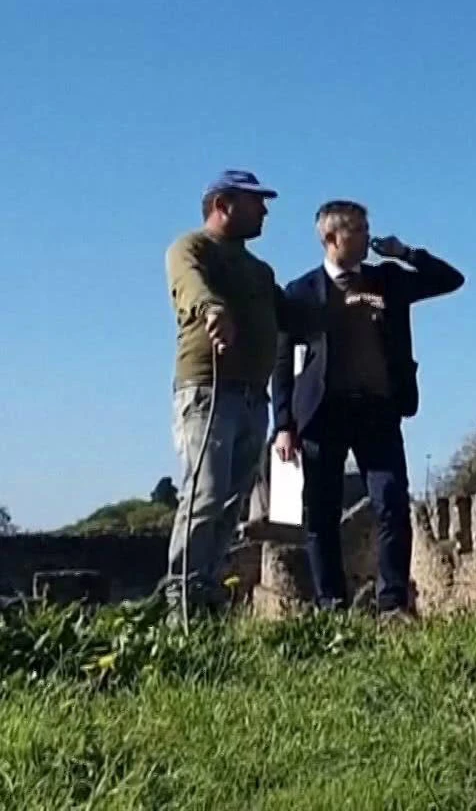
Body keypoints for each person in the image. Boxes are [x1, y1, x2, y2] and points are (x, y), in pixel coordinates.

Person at [272, 199, 464, 619]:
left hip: (379, 410)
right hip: (323, 414)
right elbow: (282, 361)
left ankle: (393, 602)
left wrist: (406, 253)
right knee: (320, 512)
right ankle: (332, 606)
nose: (365, 237)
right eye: (356, 230)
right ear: (330, 238)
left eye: (365, 227)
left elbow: (451, 279)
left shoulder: (387, 281)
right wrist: (282, 424)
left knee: (392, 500)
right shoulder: (301, 292)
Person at [164, 169, 307, 617]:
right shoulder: (193, 248)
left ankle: (205, 592)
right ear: (224, 205)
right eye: (255, 202)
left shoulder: (260, 271)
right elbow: (190, 285)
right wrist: (211, 309)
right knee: (204, 494)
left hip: (252, 396)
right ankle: (181, 596)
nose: (264, 210)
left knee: (231, 503)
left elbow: (294, 316)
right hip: (208, 389)